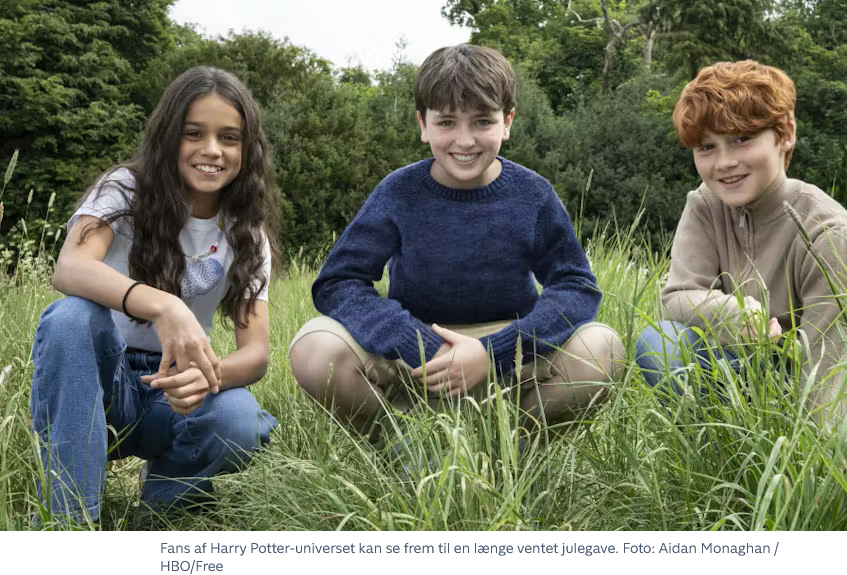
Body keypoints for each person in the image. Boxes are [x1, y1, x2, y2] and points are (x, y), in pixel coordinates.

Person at [289, 44, 626, 449]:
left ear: (507, 122)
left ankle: (511, 451)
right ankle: (404, 451)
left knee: (603, 347)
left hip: (509, 361)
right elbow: (338, 282)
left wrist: (494, 353)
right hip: (414, 361)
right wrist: (416, 343)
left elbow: (576, 285)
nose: (465, 141)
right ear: (423, 124)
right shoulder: (399, 192)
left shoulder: (533, 194)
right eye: (447, 122)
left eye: (482, 121)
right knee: (314, 347)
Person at [30, 67, 280, 526]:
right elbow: (69, 267)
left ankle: (162, 517)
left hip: (176, 389)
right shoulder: (124, 189)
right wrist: (165, 305)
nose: (212, 150)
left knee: (240, 417)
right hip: (100, 377)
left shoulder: (248, 234)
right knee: (70, 318)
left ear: (248, 148)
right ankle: (69, 523)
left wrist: (209, 376)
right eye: (193, 133)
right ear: (168, 135)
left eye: (229, 137)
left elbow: (257, 354)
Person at [634, 60, 847, 424]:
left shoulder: (829, 230)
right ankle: (712, 446)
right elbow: (678, 295)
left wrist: (815, 447)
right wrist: (734, 314)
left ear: (786, 133)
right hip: (730, 363)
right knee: (658, 342)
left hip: (799, 377)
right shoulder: (705, 205)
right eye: (707, 147)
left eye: (742, 139)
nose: (724, 162)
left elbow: (832, 361)